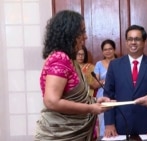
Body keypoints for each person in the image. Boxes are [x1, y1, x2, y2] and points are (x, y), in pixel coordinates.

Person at [35, 10, 111, 141]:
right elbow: (51, 101)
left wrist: (94, 102)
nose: (85, 36)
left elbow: (73, 98)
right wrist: (90, 108)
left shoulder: (70, 60)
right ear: (69, 33)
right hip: (61, 135)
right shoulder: (60, 58)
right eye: (82, 32)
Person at [104, 25, 147, 137]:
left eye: (137, 39)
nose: (133, 42)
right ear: (126, 42)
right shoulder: (115, 65)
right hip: (120, 125)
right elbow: (108, 95)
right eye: (130, 39)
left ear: (144, 42)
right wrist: (109, 123)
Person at [94, 39, 117, 137]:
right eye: (105, 49)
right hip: (102, 96)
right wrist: (107, 81)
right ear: (102, 51)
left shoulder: (120, 63)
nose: (108, 51)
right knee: (103, 120)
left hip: (117, 94)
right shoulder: (99, 64)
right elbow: (95, 83)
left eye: (110, 49)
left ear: (114, 49)